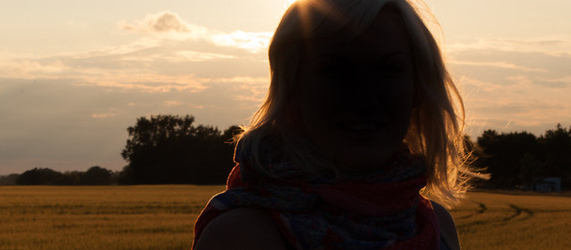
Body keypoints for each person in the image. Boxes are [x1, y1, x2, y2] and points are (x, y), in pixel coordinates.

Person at [192, 0, 482, 249]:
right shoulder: (243, 236)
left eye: (388, 70)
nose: (365, 97)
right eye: (336, 71)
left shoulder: (435, 226)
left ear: (417, 88)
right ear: (292, 89)